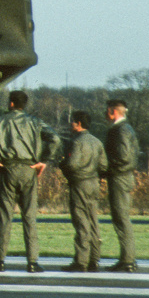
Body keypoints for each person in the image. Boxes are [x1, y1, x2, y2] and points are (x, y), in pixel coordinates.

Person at [0, 90, 58, 272]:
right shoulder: (35, 122)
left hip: (8, 169)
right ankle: (32, 262)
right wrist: (43, 160)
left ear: (11, 103)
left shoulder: (0, 120)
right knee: (29, 217)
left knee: (5, 216)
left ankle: (0, 261)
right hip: (29, 169)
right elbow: (54, 138)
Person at [59, 110, 108, 272]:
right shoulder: (97, 142)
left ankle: (81, 260)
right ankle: (94, 259)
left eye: (72, 121)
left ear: (78, 124)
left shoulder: (76, 142)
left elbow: (72, 164)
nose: (70, 124)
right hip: (94, 183)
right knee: (93, 220)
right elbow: (103, 166)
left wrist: (63, 166)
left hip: (80, 183)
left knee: (80, 221)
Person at [103, 99, 140, 272]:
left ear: (113, 112)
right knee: (121, 218)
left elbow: (124, 157)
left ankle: (127, 260)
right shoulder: (125, 129)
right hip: (122, 176)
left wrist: (106, 169)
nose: (105, 114)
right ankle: (127, 258)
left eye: (107, 111)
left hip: (119, 177)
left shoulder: (121, 130)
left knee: (121, 218)